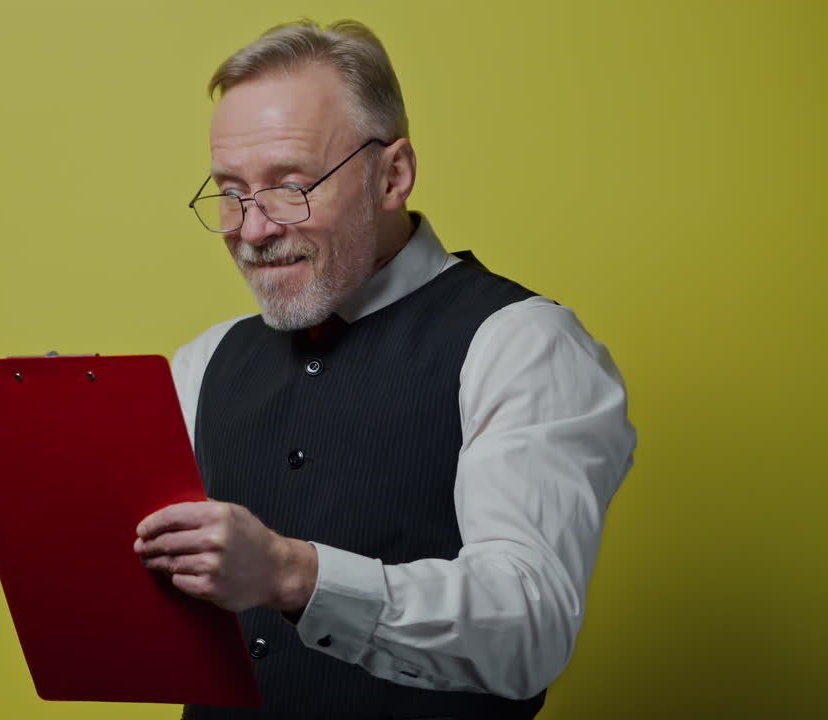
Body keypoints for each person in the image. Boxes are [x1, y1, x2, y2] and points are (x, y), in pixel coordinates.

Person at [133, 19, 636, 719]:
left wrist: (293, 574)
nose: (252, 230)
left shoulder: (523, 345)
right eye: (232, 191)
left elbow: (529, 628)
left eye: (291, 186)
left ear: (391, 176)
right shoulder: (202, 361)